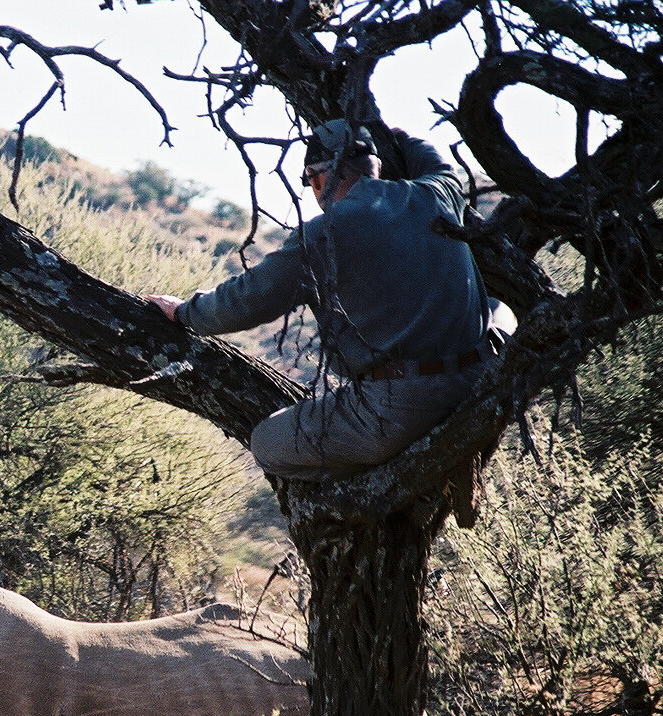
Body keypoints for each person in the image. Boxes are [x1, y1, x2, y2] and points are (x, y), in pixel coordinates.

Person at [146, 120, 511, 479]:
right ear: (376, 166)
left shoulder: (324, 235)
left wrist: (184, 312)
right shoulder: (436, 194)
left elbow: (248, 300)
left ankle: (411, 476)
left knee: (268, 445)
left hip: (403, 405)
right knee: (500, 310)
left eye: (309, 182)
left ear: (318, 178)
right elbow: (439, 166)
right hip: (483, 374)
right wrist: (399, 135)